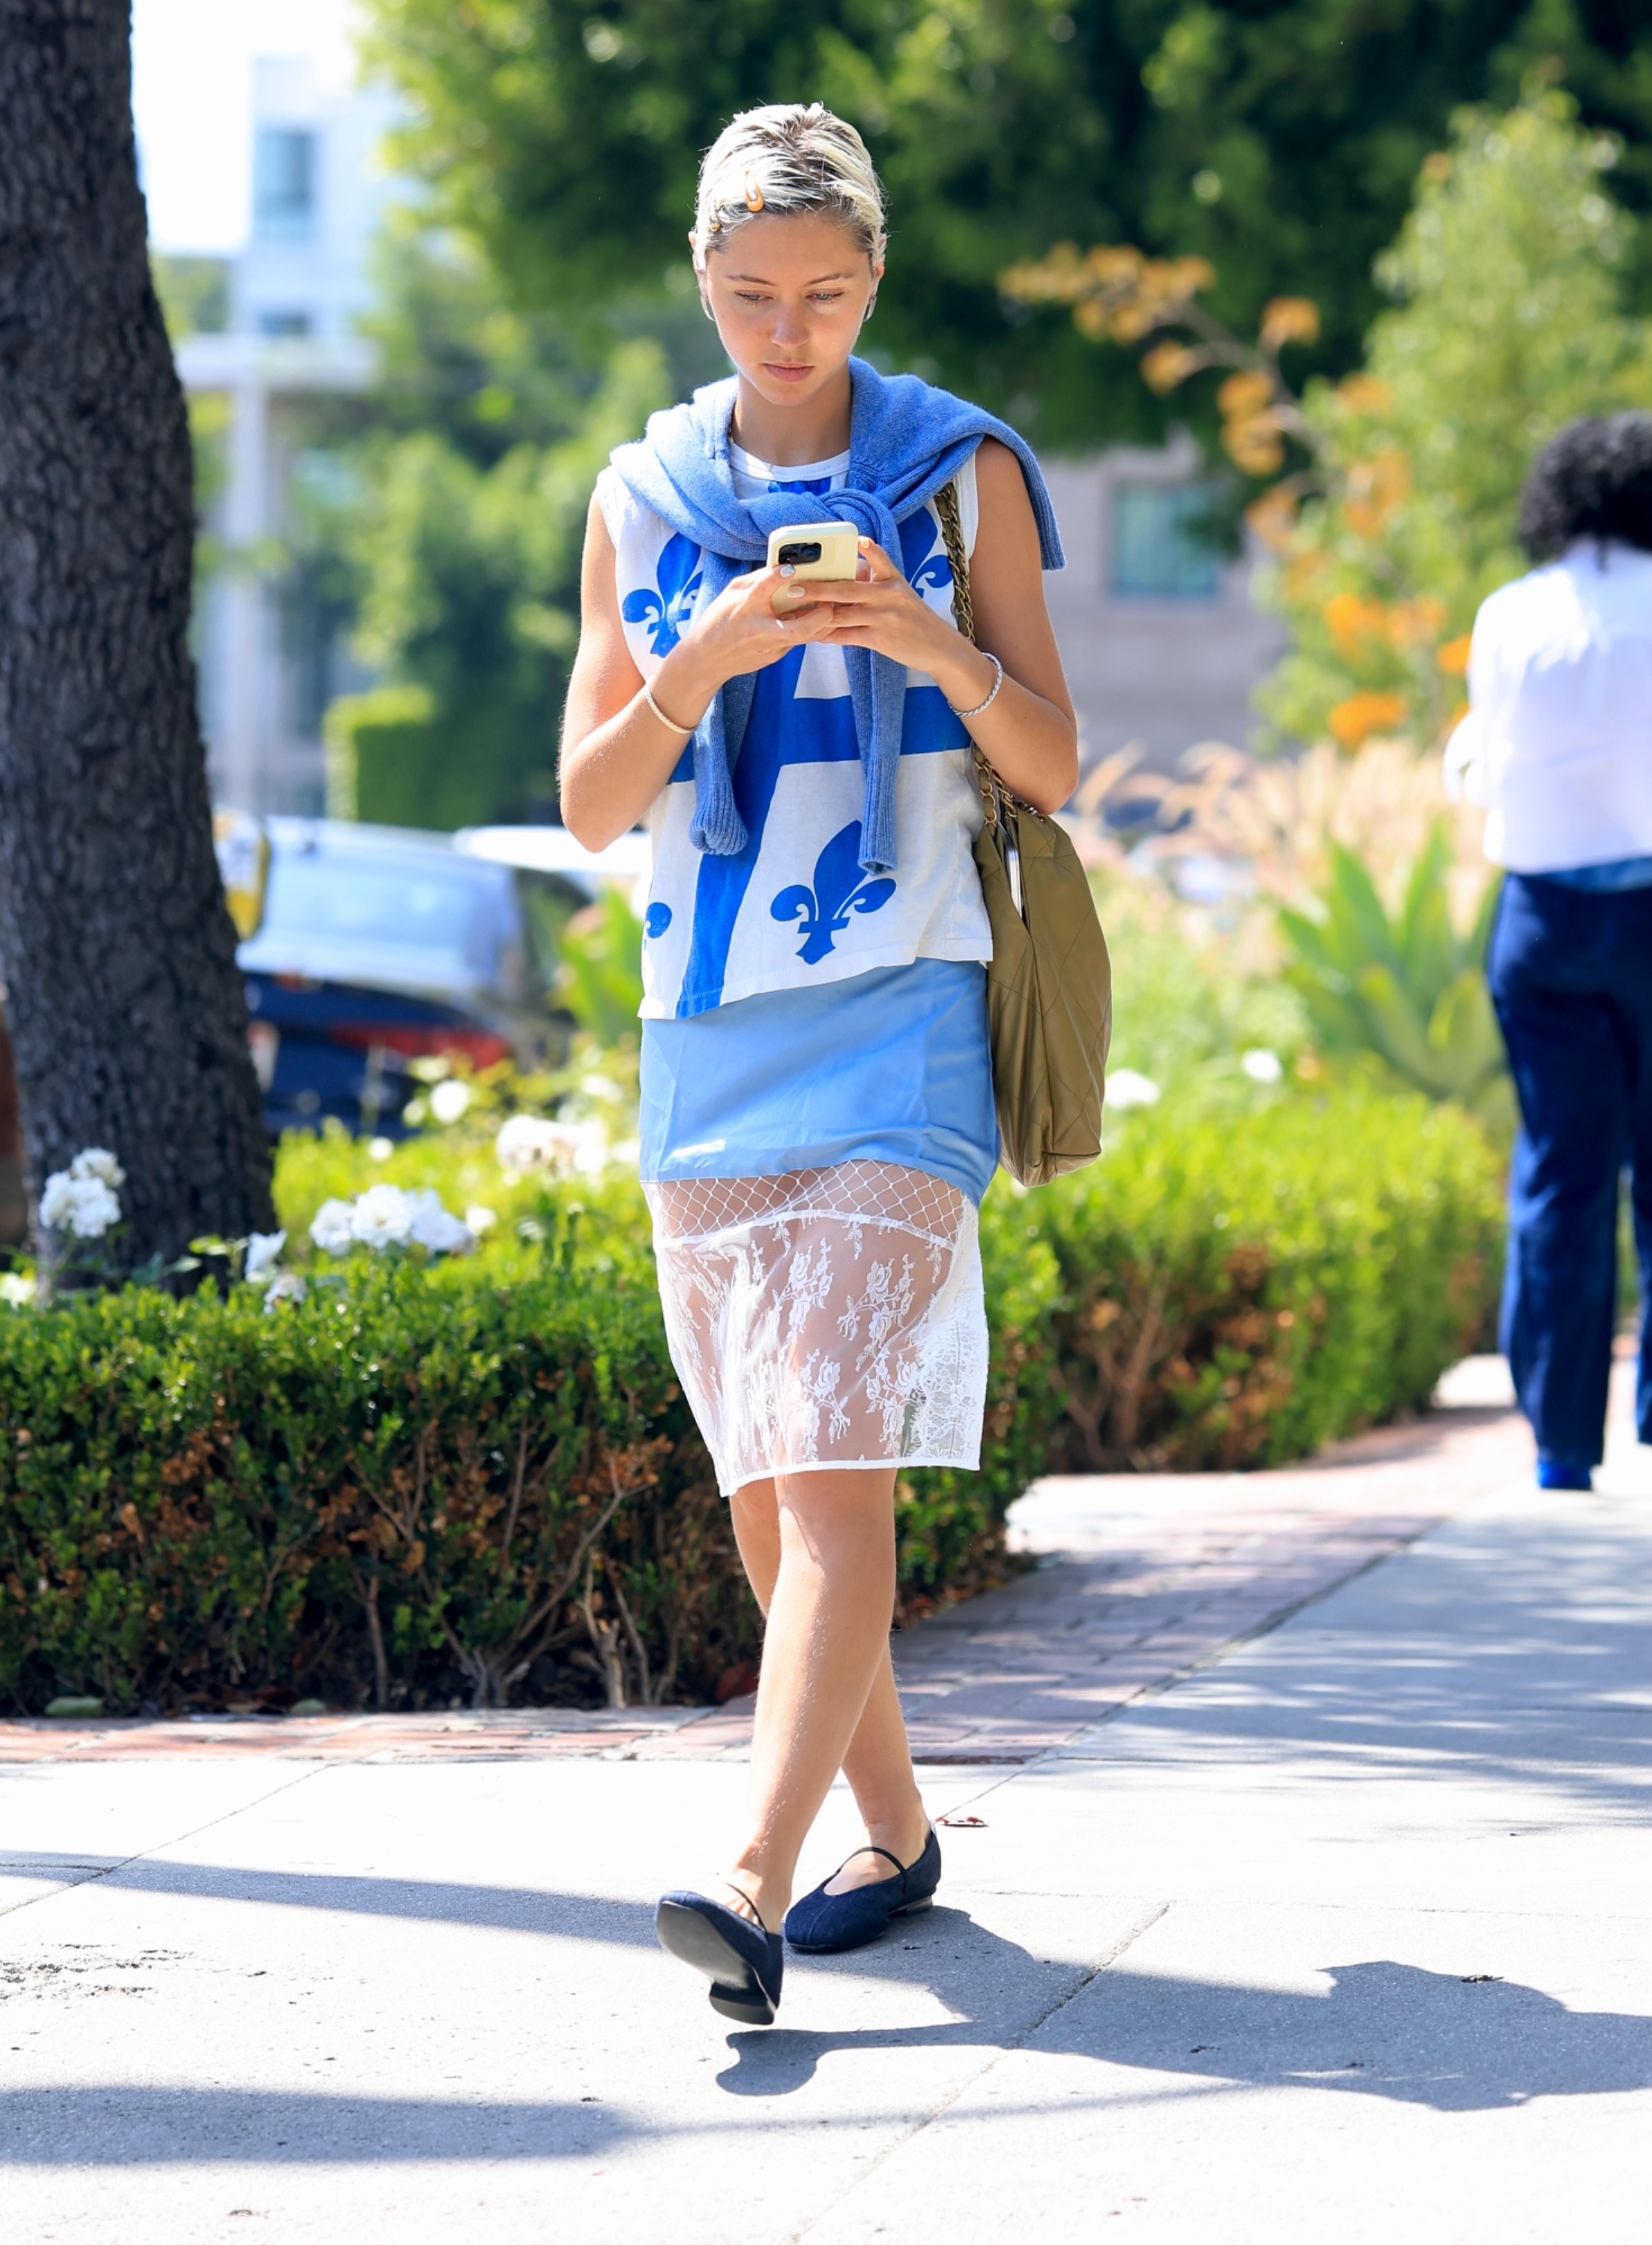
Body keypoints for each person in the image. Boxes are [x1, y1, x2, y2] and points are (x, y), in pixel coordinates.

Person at [559, 103, 1078, 2025]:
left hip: (901, 1009)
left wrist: (925, 640)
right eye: (756, 293)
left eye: (830, 293)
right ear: (704, 276)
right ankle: (900, 1833)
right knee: (767, 1493)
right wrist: (712, 656)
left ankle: (749, 1877)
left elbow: (1049, 760)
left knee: (835, 1464)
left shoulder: (959, 474)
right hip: (707, 1033)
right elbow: (595, 794)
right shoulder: (638, 497)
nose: (791, 331)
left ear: (875, 277)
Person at [1449, 411, 1652, 1492]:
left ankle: (1560, 1445)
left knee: (1562, 1179)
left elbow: (1486, 751)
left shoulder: (1509, 613)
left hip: (1540, 919)